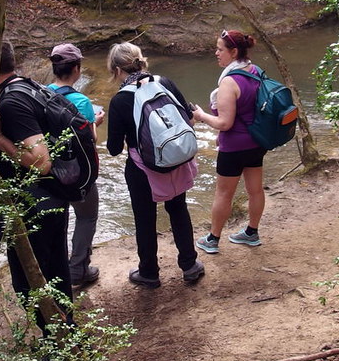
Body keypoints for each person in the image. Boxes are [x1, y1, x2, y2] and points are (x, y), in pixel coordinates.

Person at [0, 41, 73, 334]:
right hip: (52, 197)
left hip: (36, 205)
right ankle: (65, 333)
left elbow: (41, 162)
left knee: (30, 282)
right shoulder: (28, 86)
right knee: (56, 271)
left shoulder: (11, 102)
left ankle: (56, 340)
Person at [105, 42, 204, 288]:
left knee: (145, 219)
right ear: (141, 61)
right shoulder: (164, 82)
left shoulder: (120, 100)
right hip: (175, 158)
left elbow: (114, 149)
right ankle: (190, 265)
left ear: (116, 70)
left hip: (143, 169)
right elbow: (188, 116)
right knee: (178, 209)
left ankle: (149, 273)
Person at [190, 29, 269, 254]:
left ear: (234, 52)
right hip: (257, 141)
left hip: (234, 147)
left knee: (224, 193)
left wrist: (201, 116)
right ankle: (252, 233)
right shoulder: (255, 71)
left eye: (220, 49)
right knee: (255, 190)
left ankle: (213, 239)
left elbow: (225, 123)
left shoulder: (229, 82)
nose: (216, 53)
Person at [47, 43, 104, 288]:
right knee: (86, 217)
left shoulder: (41, 94)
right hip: (79, 174)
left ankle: (56, 271)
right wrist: (96, 123)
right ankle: (78, 269)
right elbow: (90, 139)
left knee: (57, 219)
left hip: (49, 170)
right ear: (77, 69)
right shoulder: (81, 101)